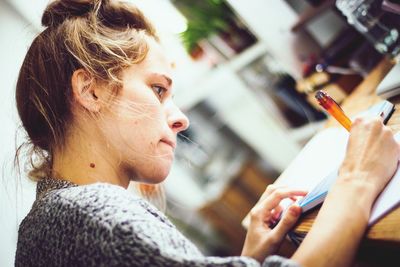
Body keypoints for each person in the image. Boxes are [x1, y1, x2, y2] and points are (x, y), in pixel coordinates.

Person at [14, 1, 400, 266]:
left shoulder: (42, 224)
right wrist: (358, 176)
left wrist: (248, 259)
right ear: (91, 90)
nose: (180, 119)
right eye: (158, 89)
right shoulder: (97, 218)